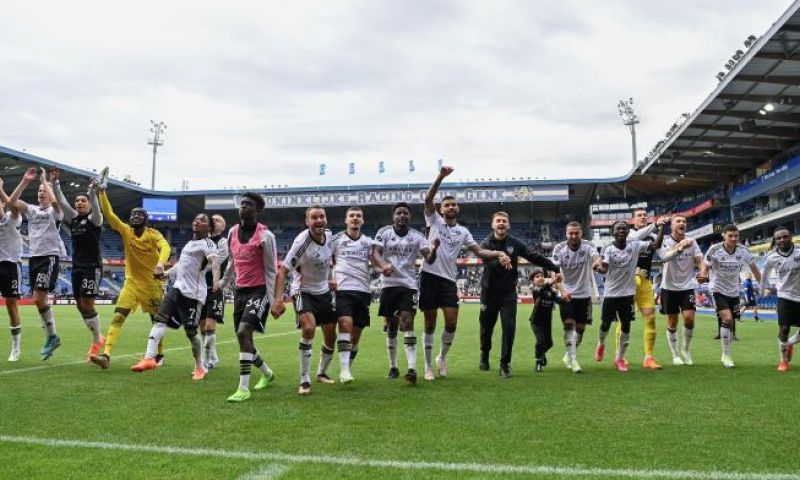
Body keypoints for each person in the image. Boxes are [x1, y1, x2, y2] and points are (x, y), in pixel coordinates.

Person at [420, 166, 510, 380]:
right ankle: (427, 366)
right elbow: (427, 199)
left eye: (453, 204)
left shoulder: (463, 232)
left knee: (451, 322)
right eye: (447, 205)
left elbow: (479, 251)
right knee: (430, 323)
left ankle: (441, 357)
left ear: (457, 209)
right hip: (430, 276)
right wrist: (441, 176)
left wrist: (498, 252)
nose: (450, 207)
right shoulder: (434, 221)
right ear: (442, 210)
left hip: (449, 280)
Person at [89, 172, 171, 369]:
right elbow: (109, 215)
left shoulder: (153, 234)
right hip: (131, 282)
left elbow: (166, 246)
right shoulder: (126, 231)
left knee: (156, 320)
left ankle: (159, 355)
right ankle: (106, 356)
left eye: (139, 215)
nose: (135, 216)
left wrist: (161, 262)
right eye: (133, 214)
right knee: (118, 316)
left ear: (146, 220)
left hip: (152, 284)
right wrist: (102, 193)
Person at [131, 213, 220, 380]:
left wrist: (216, 281)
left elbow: (214, 262)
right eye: (196, 219)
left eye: (202, 220)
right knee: (160, 319)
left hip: (193, 295)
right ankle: (149, 358)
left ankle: (200, 366)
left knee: (192, 333)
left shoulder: (208, 243)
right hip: (177, 289)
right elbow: (180, 266)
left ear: (208, 228)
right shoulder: (189, 244)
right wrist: (165, 274)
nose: (196, 221)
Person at [478, 211, 559, 378]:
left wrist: (553, 267)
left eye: (504, 221)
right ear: (493, 225)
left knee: (509, 328)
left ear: (508, 225)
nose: (501, 223)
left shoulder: (514, 243)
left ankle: (504, 364)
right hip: (489, 293)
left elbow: (533, 256)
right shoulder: (485, 244)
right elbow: (487, 263)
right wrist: (499, 260)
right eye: (498, 221)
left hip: (508, 293)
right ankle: (484, 354)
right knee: (486, 328)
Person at [216, 193, 277, 402]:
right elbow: (233, 261)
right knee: (245, 339)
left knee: (243, 332)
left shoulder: (265, 236)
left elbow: (271, 270)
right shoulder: (232, 233)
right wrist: (224, 282)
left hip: (259, 290)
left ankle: (243, 388)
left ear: (257, 210)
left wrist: (275, 298)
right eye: (242, 204)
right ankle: (267, 373)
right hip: (240, 291)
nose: (243, 207)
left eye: (248, 205)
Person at [271, 205, 335, 396]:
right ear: (307, 222)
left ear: (326, 219)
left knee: (331, 336)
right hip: (303, 291)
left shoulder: (330, 236)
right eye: (314, 218)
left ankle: (322, 373)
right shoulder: (302, 242)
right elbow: (282, 271)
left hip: (323, 292)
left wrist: (331, 279)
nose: (318, 221)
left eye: (321, 216)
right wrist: (278, 300)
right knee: (308, 328)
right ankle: (304, 379)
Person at [371, 202, 437, 384]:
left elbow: (428, 258)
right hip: (388, 284)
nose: (402, 216)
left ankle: (412, 368)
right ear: (393, 217)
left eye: (405, 213)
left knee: (407, 320)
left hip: (408, 285)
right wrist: (383, 265)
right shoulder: (384, 232)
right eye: (398, 213)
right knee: (391, 327)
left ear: (410, 217)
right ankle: (393, 366)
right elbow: (375, 252)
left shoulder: (417, 236)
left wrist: (435, 249)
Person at [6, 167, 65, 360]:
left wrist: (46, 181)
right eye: (39, 191)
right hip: (33, 258)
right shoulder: (31, 210)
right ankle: (52, 337)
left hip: (49, 257)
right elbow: (11, 202)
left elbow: (56, 202)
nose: (41, 193)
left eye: (44, 191)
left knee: (39, 298)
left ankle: (52, 336)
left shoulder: (55, 213)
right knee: (38, 299)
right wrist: (24, 181)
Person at [594, 220, 664, 372]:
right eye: (618, 228)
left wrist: (661, 229)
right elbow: (604, 268)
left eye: (624, 228)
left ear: (627, 232)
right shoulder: (608, 248)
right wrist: (598, 268)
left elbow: (656, 246)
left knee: (626, 326)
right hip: (611, 293)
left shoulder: (635, 245)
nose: (621, 230)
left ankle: (620, 358)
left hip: (628, 294)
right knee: (605, 324)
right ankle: (601, 343)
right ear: (613, 232)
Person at [52, 168, 106, 360]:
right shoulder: (74, 220)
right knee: (79, 306)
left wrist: (93, 190)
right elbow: (62, 202)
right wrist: (55, 183)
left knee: (88, 304)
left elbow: (98, 208)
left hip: (92, 267)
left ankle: (96, 340)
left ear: (89, 204)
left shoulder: (95, 219)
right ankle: (97, 336)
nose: (79, 203)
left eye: (83, 201)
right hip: (76, 268)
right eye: (78, 201)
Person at [698, 224, 760, 368]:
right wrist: (702, 275)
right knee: (727, 318)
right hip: (717, 289)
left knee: (732, 321)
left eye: (736, 236)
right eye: (730, 236)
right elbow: (705, 266)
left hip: (734, 291)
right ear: (723, 236)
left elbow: (755, 268)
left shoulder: (743, 250)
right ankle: (726, 355)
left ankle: (728, 342)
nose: (733, 239)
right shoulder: (714, 249)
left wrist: (761, 286)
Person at [329, 207, 374, 383]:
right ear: (346, 220)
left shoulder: (368, 242)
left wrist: (383, 267)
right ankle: (345, 370)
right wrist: (329, 278)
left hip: (363, 290)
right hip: (343, 289)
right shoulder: (336, 240)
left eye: (358, 216)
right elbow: (324, 258)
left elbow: (376, 259)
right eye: (352, 216)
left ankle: (347, 364)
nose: (355, 218)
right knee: (345, 324)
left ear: (362, 221)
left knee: (355, 337)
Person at [551, 221, 601, 374]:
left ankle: (568, 354)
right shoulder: (559, 248)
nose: (573, 236)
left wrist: (596, 264)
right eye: (570, 233)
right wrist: (562, 290)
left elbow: (596, 257)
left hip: (584, 295)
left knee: (580, 329)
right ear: (566, 234)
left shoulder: (588, 246)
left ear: (581, 233)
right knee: (568, 325)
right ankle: (573, 360)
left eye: (576, 233)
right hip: (566, 293)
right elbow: (554, 273)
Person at [657, 216, 703, 366]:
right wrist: (681, 247)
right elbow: (664, 257)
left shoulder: (692, 241)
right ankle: (675, 354)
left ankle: (686, 350)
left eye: (684, 221)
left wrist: (703, 272)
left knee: (689, 317)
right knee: (672, 321)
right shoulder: (664, 241)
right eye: (678, 221)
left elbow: (699, 259)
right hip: (669, 287)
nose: (682, 223)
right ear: (671, 226)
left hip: (687, 286)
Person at [627, 209, 671, 369]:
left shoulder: (653, 236)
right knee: (625, 319)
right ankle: (620, 356)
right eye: (639, 215)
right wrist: (655, 225)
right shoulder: (628, 233)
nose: (643, 217)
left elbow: (664, 256)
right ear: (633, 219)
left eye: (645, 215)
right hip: (628, 281)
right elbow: (636, 239)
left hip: (645, 280)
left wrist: (679, 250)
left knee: (651, 317)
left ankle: (649, 357)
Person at [761, 227, 800, 372]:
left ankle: (789, 344)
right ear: (775, 241)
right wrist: (761, 290)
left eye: (785, 236)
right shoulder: (772, 257)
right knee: (784, 328)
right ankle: (783, 362)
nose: (782, 239)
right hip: (785, 295)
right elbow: (764, 274)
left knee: (787, 336)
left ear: (791, 237)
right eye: (778, 238)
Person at [200, 214, 228, 369]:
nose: (213, 221)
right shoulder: (202, 241)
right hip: (200, 289)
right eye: (212, 219)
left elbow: (216, 263)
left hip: (215, 288)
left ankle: (204, 363)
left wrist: (198, 269)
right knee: (202, 326)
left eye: (218, 220)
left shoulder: (224, 243)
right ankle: (214, 357)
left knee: (210, 325)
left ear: (223, 227)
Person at [0, 179, 23, 361]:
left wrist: (0, 190)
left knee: (10, 304)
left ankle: (16, 348)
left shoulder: (11, 219)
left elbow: (14, 206)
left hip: (11, 265)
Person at [528, 268, 562, 372]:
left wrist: (567, 298)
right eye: (537, 277)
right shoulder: (535, 290)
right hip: (536, 321)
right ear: (533, 281)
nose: (540, 278)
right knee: (540, 341)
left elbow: (558, 300)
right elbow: (542, 290)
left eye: (542, 276)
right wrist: (553, 281)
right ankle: (538, 362)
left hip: (547, 322)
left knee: (549, 343)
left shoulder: (550, 291)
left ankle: (541, 354)